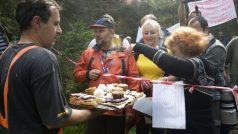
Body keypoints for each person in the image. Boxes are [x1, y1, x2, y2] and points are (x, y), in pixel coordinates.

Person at [0, 1, 104, 133]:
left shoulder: (5, 54)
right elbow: (57, 119)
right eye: (55, 23)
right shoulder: (43, 57)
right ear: (37, 22)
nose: (60, 30)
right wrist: (96, 111)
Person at [129, 19, 220, 134]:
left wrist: (139, 47)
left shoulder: (200, 64)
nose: (173, 55)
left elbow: (171, 65)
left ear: (185, 48)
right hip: (181, 127)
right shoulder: (188, 68)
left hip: (198, 128)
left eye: (174, 52)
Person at [73, 14, 140, 134]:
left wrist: (130, 109)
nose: (97, 34)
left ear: (112, 32)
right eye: (96, 31)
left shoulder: (125, 54)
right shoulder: (88, 53)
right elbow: (77, 74)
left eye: (101, 30)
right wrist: (87, 74)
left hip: (117, 110)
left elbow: (133, 81)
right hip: (94, 110)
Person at [135, 19, 170, 134]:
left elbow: (175, 74)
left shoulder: (166, 53)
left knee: (158, 130)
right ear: (142, 35)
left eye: (152, 32)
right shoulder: (136, 53)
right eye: (146, 33)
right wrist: (140, 77)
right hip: (141, 96)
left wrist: (164, 79)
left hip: (160, 96)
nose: (149, 35)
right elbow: (130, 73)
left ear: (159, 33)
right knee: (141, 129)